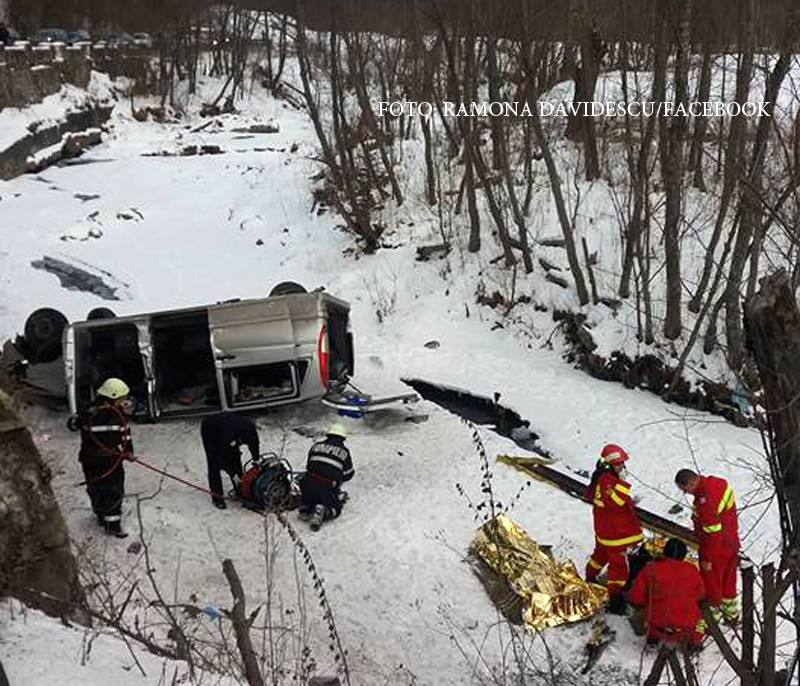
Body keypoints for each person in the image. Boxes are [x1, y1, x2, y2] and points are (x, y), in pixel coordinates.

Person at [69, 377, 133, 538]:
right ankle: (110, 523)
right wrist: (83, 416)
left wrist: (128, 452)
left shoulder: (117, 414)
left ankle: (105, 518)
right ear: (112, 397)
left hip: (97, 459)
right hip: (102, 460)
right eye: (121, 398)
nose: (123, 401)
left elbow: (126, 436)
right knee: (108, 490)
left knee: (100, 488)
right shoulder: (93, 413)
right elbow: (72, 425)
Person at [585, 443, 644, 614]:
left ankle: (590, 576)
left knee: (600, 554)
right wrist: (623, 483)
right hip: (615, 533)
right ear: (610, 465)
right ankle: (615, 598)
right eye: (619, 464)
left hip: (605, 529)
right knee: (619, 566)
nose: (623, 467)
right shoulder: (607, 481)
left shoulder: (601, 477)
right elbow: (616, 502)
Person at [675, 469, 740, 622]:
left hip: (716, 548)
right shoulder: (718, 483)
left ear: (691, 483)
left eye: (685, 489)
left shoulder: (704, 503)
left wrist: (709, 559)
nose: (685, 493)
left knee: (712, 584)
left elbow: (713, 533)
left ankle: (712, 619)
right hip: (731, 542)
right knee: (729, 580)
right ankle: (731, 614)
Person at [628, 538, 706, 649]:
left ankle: (652, 637)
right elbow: (701, 595)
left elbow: (635, 597)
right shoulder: (692, 570)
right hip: (684, 628)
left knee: (643, 609)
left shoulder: (651, 568)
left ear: (664, 552)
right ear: (683, 556)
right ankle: (693, 641)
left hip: (656, 625)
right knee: (699, 613)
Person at [299, 422, 354, 531]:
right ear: (343, 438)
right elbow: (349, 474)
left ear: (328, 435)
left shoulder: (315, 446)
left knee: (310, 492)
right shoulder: (344, 452)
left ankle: (307, 507)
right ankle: (324, 512)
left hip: (307, 484)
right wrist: (337, 479)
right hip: (327, 488)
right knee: (336, 509)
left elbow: (309, 466)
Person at [200, 412, 259, 509]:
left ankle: (239, 489)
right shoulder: (227, 434)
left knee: (235, 458)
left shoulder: (250, 430)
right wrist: (233, 473)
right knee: (214, 463)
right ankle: (217, 497)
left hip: (229, 427)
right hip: (210, 429)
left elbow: (254, 445)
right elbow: (224, 453)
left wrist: (256, 461)